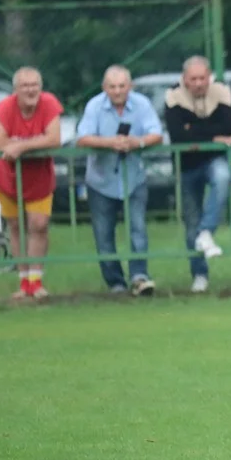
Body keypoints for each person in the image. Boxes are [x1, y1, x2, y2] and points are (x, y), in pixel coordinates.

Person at [76, 64, 164, 295]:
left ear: (130, 86)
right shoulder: (94, 106)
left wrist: (138, 142)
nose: (117, 91)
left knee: (138, 229)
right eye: (112, 86)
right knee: (104, 234)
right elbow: (82, 137)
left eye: (122, 86)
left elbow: (157, 133)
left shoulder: (142, 104)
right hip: (100, 180)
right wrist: (110, 143)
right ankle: (115, 282)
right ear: (104, 87)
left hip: (134, 177)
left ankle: (139, 277)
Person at [0, 66, 63, 300]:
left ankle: (36, 280)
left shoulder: (49, 104)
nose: (30, 90)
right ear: (16, 90)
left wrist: (21, 146)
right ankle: (23, 282)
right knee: (15, 226)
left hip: (39, 178)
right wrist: (33, 142)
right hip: (8, 178)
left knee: (39, 225)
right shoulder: (5, 108)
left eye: (35, 86)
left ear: (41, 88)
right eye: (25, 86)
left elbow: (54, 139)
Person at [164, 55, 231, 293]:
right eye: (193, 79)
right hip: (186, 166)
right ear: (184, 79)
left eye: (202, 78)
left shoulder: (222, 92)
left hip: (212, 160)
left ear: (209, 77)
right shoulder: (173, 96)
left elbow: (229, 128)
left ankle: (208, 231)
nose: (198, 83)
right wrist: (213, 137)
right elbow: (177, 136)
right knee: (190, 221)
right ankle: (199, 274)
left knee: (223, 176)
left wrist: (193, 130)